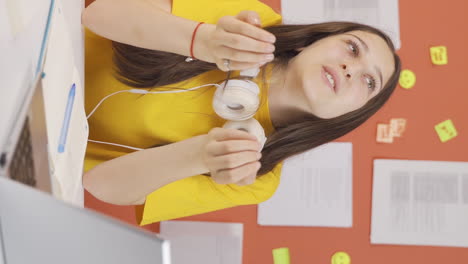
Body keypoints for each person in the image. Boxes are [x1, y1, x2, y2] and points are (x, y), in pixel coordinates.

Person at [82, 0, 401, 225]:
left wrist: (204, 155)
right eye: (353, 48)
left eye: (369, 81)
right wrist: (203, 41)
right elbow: (98, 14)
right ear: (311, 42)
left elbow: (99, 185)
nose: (351, 69)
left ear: (349, 114)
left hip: (46, 138)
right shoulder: (254, 26)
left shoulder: (254, 175)